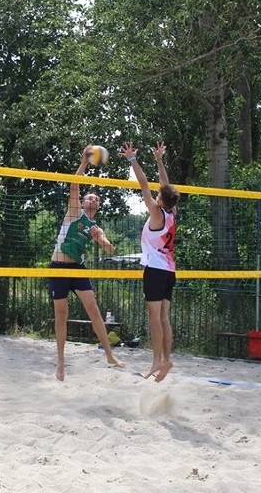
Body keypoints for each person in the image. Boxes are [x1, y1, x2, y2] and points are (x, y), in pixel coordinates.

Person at [49, 146, 125, 381]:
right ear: (83, 202)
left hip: (77, 268)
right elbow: (74, 184)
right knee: (61, 314)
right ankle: (61, 362)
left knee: (93, 309)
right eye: (90, 196)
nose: (94, 199)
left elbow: (108, 246)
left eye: (97, 198)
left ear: (98, 206)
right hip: (59, 267)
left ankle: (110, 355)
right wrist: (84, 162)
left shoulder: (95, 226)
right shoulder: (74, 212)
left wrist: (103, 242)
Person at [120, 141, 180, 382]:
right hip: (169, 271)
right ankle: (166, 359)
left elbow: (144, 185)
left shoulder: (157, 213)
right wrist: (159, 160)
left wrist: (132, 159)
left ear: (161, 200)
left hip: (155, 271)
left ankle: (157, 360)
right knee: (164, 317)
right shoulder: (172, 213)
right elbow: (165, 186)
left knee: (154, 317)